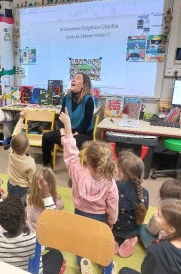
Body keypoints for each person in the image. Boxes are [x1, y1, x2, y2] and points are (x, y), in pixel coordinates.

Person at [59, 108, 118, 265]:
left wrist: (68, 126)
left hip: (80, 213)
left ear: (85, 157)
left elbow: (70, 155)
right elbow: (112, 205)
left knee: (82, 241)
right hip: (100, 218)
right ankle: (106, 263)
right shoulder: (110, 181)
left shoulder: (77, 173)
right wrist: (111, 221)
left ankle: (83, 262)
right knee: (100, 241)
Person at [0, 194, 64, 273]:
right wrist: (47, 196)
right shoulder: (34, 241)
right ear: (25, 220)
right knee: (56, 254)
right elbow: (52, 219)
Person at [42, 72, 94, 167]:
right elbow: (61, 118)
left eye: (78, 78)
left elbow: (86, 124)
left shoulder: (88, 99)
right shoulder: (67, 97)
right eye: (73, 78)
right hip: (66, 131)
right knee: (46, 137)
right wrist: (63, 135)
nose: (73, 79)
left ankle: (74, 171)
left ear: (83, 85)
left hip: (82, 133)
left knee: (71, 143)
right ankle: (46, 165)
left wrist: (69, 137)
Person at [113, 151, 149, 258]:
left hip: (113, 229)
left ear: (122, 173)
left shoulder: (114, 186)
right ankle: (131, 239)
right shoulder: (144, 192)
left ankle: (111, 239)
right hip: (133, 231)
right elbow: (144, 211)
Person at [140, 179, 181, 248]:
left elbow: (151, 230)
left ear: (162, 198)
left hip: (165, 247)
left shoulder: (163, 212)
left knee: (142, 228)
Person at [7, 110, 37, 198]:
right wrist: (33, 192)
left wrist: (21, 118)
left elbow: (15, 132)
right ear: (27, 147)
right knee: (21, 206)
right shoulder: (30, 162)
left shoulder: (11, 150)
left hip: (10, 182)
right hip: (22, 188)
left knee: (11, 202)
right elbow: (32, 180)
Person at [26, 168, 64, 233]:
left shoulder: (29, 198)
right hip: (47, 234)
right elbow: (53, 218)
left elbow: (28, 215)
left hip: (32, 233)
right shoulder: (58, 203)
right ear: (52, 184)